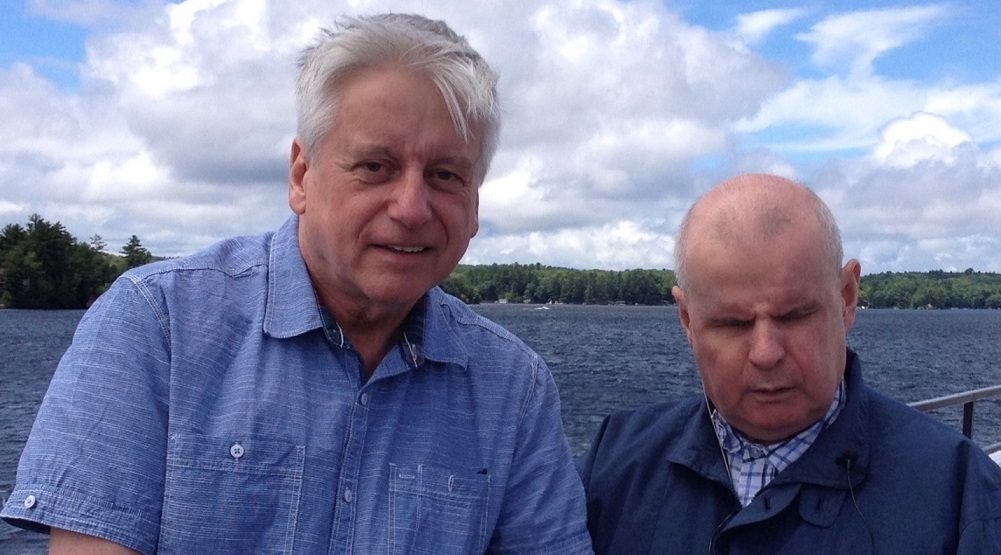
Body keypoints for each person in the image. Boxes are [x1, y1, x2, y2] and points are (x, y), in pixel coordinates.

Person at [1, 14, 593, 555]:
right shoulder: (158, 325)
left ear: (474, 204)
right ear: (302, 175)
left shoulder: (512, 387)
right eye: (375, 166)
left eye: (445, 175)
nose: (412, 208)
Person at [578, 173, 1001, 554]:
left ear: (847, 298)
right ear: (687, 320)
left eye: (795, 316)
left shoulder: (963, 498)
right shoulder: (613, 466)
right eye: (732, 323)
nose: (766, 353)